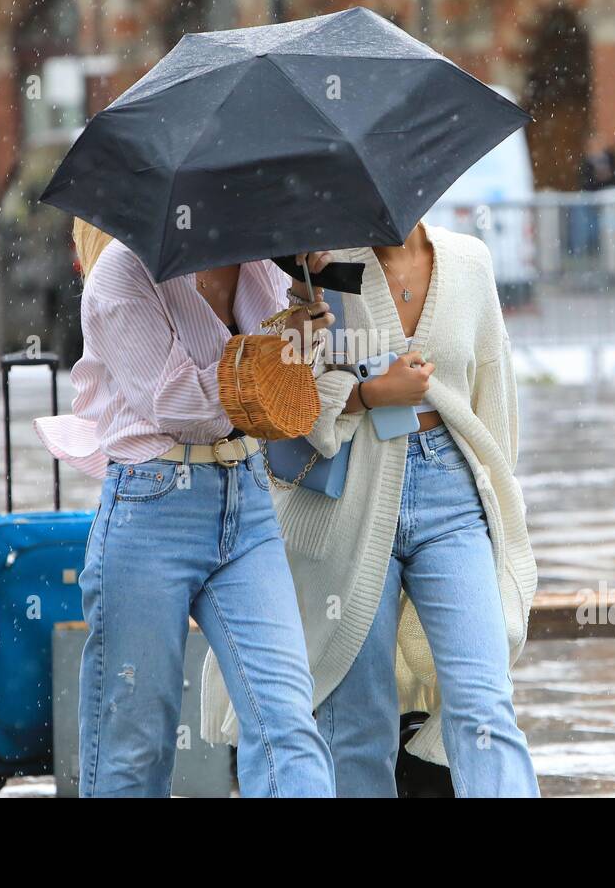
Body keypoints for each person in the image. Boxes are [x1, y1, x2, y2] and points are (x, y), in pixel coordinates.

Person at [202, 219, 541, 797]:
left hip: (451, 492)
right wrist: (365, 393)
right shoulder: (319, 267)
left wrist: (499, 504)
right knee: (355, 718)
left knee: (485, 701)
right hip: (352, 495)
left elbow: (494, 400)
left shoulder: (470, 262)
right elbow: (291, 398)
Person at [33, 219, 337, 798]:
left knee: (287, 719)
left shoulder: (257, 260)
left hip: (246, 498)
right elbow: (176, 403)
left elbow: (286, 395)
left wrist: (303, 319)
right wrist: (269, 351)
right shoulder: (120, 274)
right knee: (137, 740)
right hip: (150, 507)